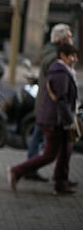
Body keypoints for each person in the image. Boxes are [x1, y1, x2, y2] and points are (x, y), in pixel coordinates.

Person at [8, 43, 79, 195]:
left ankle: (61, 183)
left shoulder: (62, 71)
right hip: (58, 121)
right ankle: (17, 171)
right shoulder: (61, 73)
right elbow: (61, 100)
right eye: (72, 56)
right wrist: (69, 122)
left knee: (65, 151)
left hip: (58, 119)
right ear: (63, 56)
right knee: (50, 154)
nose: (75, 59)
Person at [25, 23, 74, 182]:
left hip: (45, 103)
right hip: (49, 105)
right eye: (69, 36)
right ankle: (27, 170)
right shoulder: (55, 56)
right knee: (42, 139)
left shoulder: (51, 51)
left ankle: (31, 169)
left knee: (39, 137)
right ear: (62, 39)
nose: (71, 39)